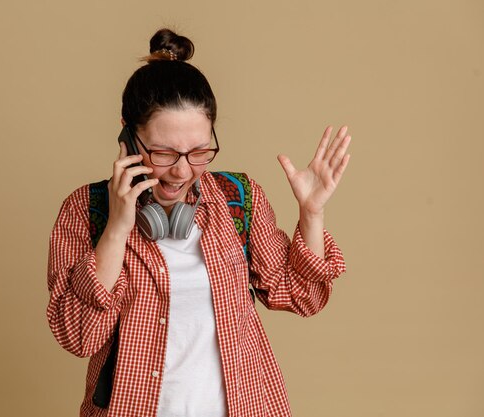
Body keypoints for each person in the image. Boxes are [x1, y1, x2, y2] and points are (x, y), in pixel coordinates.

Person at [46, 28, 351, 417]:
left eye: (199, 152)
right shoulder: (85, 210)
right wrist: (118, 228)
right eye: (163, 152)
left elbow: (301, 297)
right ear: (126, 132)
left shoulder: (238, 199)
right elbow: (78, 336)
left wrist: (311, 212)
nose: (181, 171)